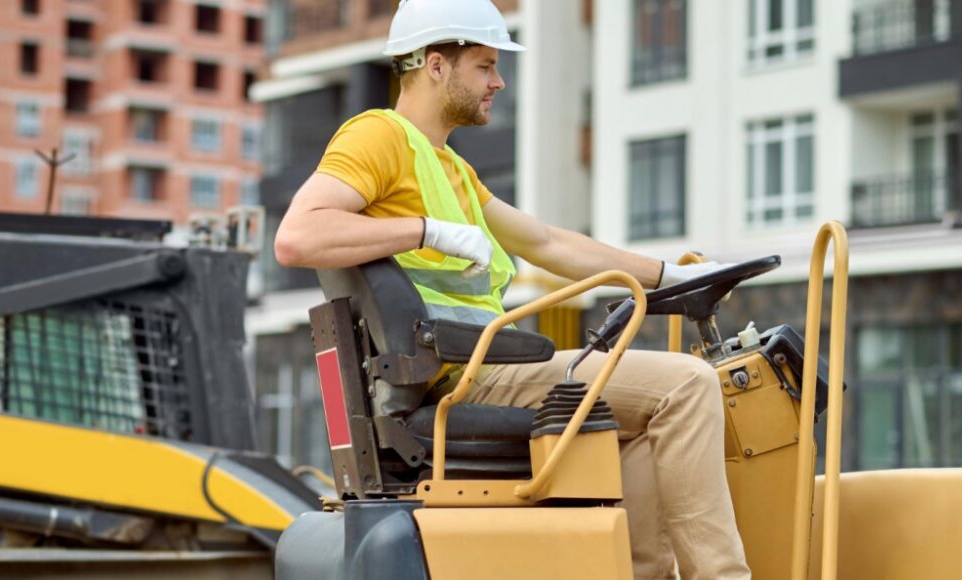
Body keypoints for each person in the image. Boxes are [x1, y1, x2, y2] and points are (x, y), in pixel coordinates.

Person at [274, 1, 751, 578]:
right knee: (688, 385)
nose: (498, 81)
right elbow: (296, 236)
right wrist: (428, 230)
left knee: (650, 421)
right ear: (435, 65)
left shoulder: (448, 165)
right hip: (468, 374)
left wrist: (671, 277)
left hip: (477, 366)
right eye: (485, 66)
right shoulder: (379, 136)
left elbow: (548, 243)